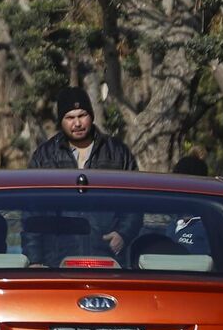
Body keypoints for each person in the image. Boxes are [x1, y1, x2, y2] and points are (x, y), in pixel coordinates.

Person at [25, 86, 139, 264]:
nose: (77, 123)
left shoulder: (117, 152)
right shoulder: (45, 156)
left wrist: (123, 234)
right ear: (61, 121)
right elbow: (31, 212)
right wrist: (34, 261)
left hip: (107, 258)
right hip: (56, 259)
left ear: (91, 116)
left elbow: (135, 202)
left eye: (82, 115)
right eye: (70, 117)